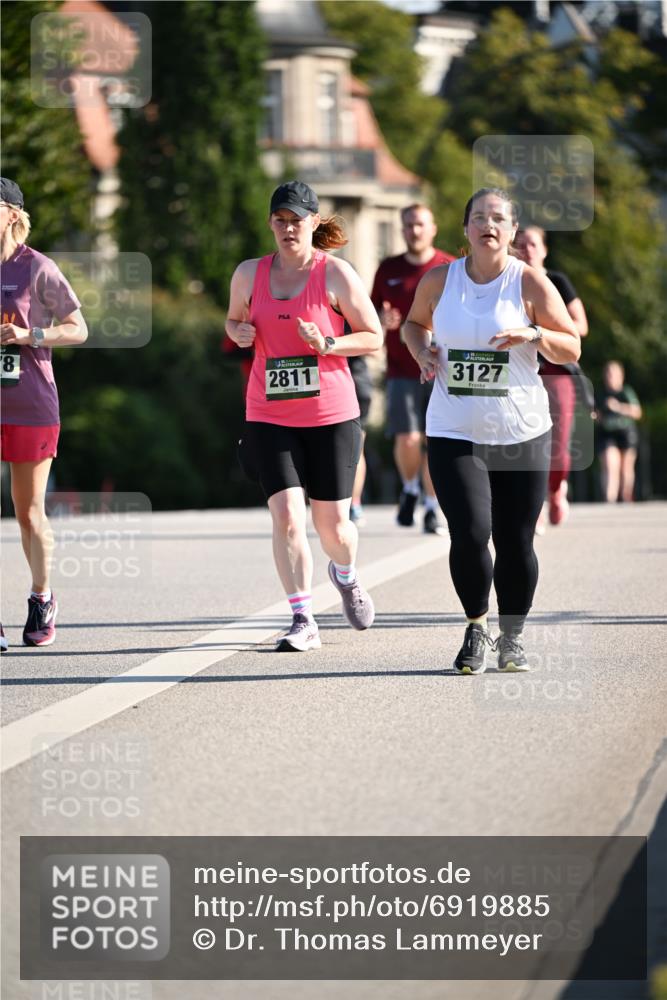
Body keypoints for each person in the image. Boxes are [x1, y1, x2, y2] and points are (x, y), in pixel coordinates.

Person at [403, 187, 580, 674]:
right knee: (470, 532)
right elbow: (414, 325)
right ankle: (476, 626)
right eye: (479, 217)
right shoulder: (440, 280)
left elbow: (572, 347)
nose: (489, 225)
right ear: (465, 229)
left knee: (515, 539)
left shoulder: (531, 284)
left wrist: (536, 334)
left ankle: (513, 637)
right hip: (453, 427)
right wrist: (422, 351)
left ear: (513, 231)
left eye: (498, 218)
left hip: (521, 431)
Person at [226, 181, 382, 652]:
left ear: (314, 223)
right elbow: (233, 321)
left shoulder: (335, 275)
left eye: (297, 221)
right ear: (270, 223)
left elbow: (373, 336)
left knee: (333, 528)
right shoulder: (249, 274)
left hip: (332, 414)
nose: (288, 228)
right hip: (269, 414)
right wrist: (238, 332)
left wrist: (329, 343)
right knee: (289, 519)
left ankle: (346, 574)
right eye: (280, 220)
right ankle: (302, 618)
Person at [0, 177, 88, 651]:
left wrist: (31, 335)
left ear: (12, 214)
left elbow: (77, 329)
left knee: (28, 512)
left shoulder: (37, 268)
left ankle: (41, 596)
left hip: (29, 402)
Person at [371, 204, 454, 533]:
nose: (413, 231)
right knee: (408, 439)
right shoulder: (387, 268)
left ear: (432, 228)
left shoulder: (449, 266)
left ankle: (432, 507)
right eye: (407, 225)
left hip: (441, 369)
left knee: (435, 441)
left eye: (419, 224)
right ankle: (409, 489)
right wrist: (381, 322)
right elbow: (368, 318)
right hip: (401, 369)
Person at [515, 226, 589, 528]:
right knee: (523, 437)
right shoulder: (509, 281)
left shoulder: (557, 281)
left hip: (555, 369)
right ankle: (534, 505)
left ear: (544, 249)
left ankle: (556, 488)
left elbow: (580, 326)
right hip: (518, 369)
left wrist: (540, 329)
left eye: (532, 243)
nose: (526, 249)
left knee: (557, 442)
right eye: (520, 244)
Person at [595, 361, 642, 503]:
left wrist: (618, 407)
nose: (610, 377)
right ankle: (610, 499)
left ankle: (626, 497)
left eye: (613, 374)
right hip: (607, 433)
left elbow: (637, 412)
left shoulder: (626, 392)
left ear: (621, 376)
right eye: (608, 374)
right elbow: (596, 414)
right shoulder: (600, 393)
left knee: (625, 467)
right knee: (610, 464)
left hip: (626, 433)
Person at [348, 352, 373, 526]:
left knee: (356, 446)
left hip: (354, 378)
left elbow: (376, 346)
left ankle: (354, 504)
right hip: (313, 377)